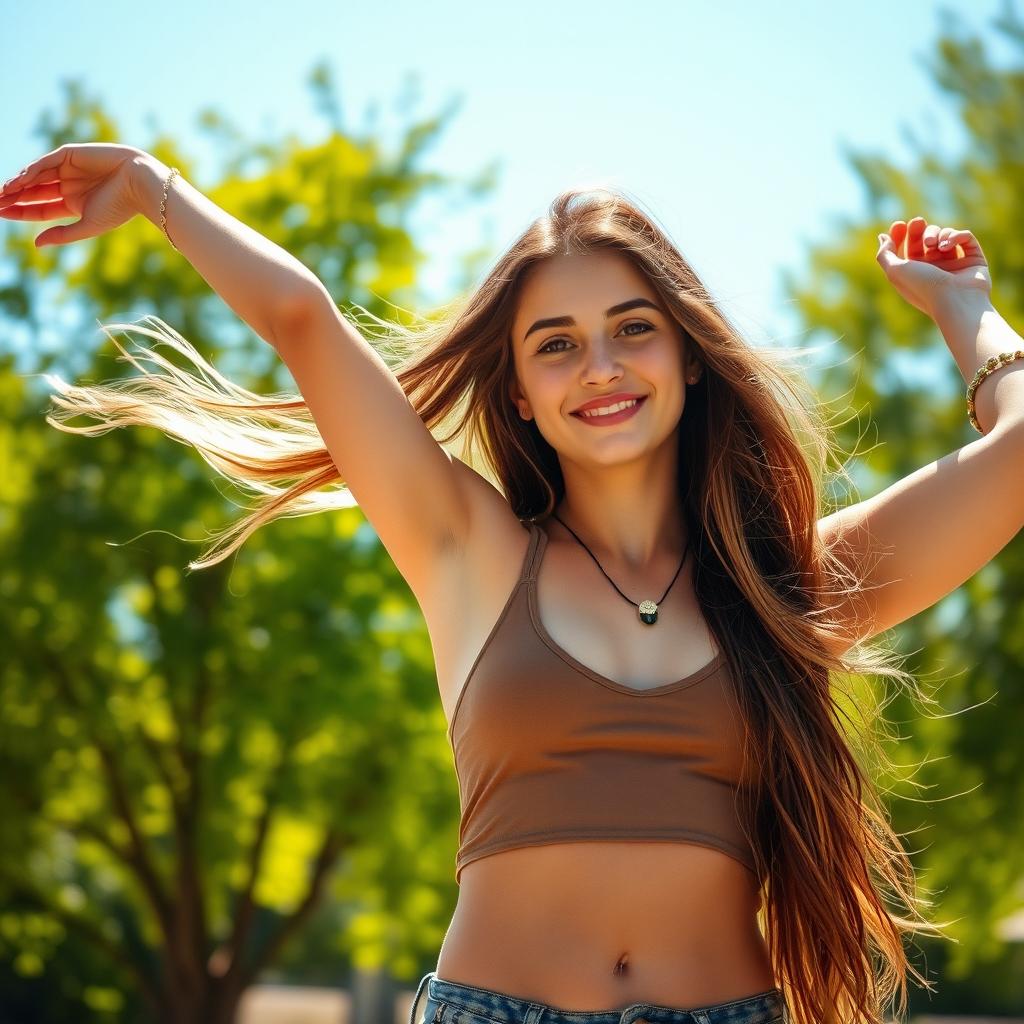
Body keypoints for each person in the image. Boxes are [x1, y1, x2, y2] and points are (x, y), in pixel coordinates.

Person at [4, 143, 1022, 1024]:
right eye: (556, 344)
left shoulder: (784, 584)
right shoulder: (467, 546)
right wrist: (151, 187)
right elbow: (302, 317)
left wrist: (967, 311)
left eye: (633, 327)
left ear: (689, 355)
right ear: (522, 396)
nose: (599, 366)